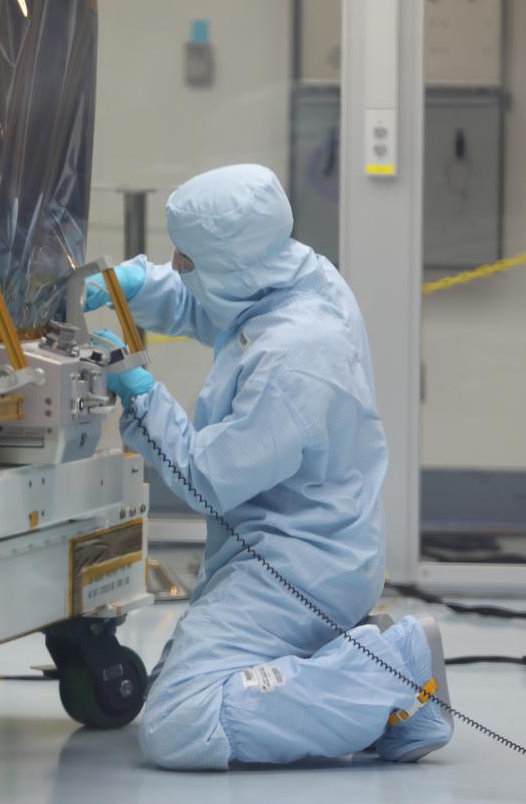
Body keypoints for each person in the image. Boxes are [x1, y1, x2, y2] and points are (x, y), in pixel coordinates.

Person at [83, 164, 454, 769]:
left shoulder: (297, 357)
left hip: (295, 570)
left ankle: (394, 671)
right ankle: (368, 681)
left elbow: (208, 479)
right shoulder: (296, 276)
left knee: (181, 720)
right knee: (181, 681)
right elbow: (208, 301)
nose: (175, 265)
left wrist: (143, 397)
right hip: (313, 548)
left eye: (185, 258)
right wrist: (131, 286)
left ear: (230, 262)